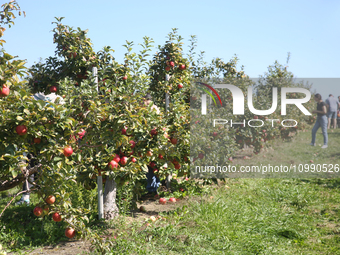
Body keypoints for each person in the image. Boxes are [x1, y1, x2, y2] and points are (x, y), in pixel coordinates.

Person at [16, 92, 64, 205]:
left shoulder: (54, 101)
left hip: (42, 141)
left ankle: (39, 195)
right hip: (34, 139)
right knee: (28, 166)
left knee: (36, 166)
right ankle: (28, 196)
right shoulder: (36, 101)